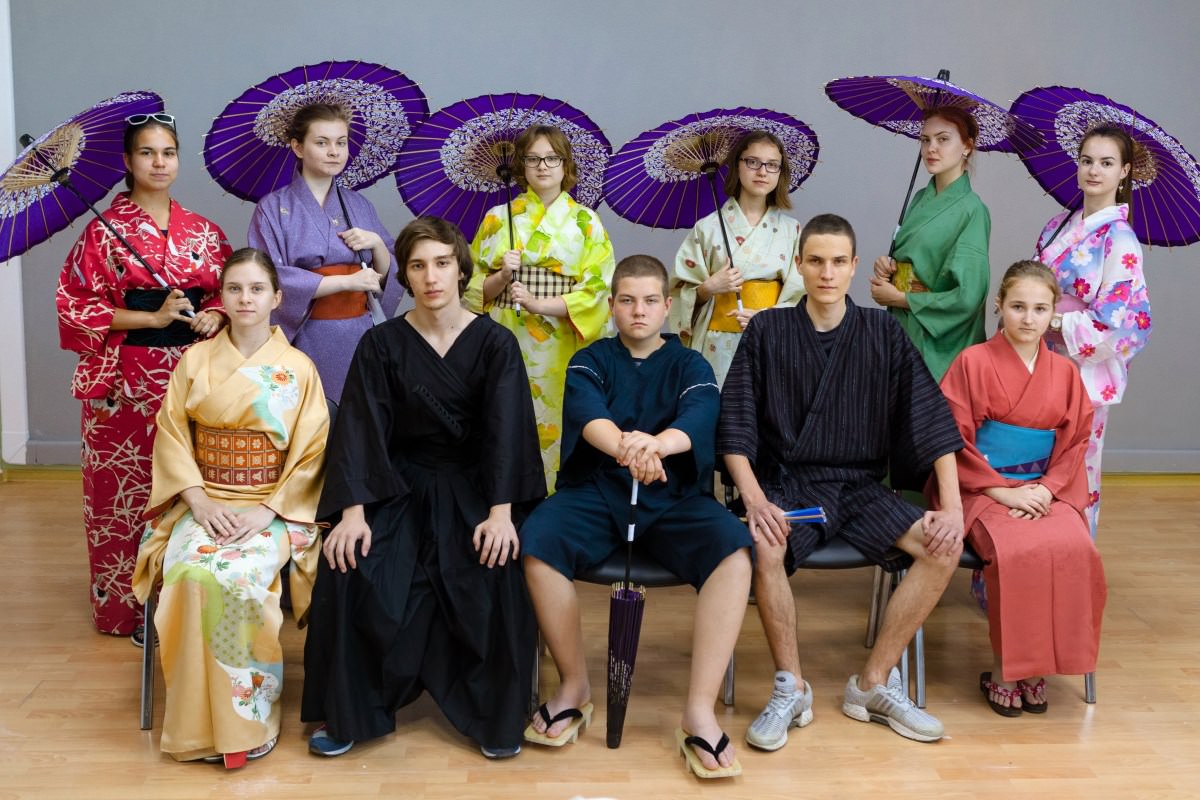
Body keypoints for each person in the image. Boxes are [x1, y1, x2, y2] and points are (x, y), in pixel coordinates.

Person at [301, 217, 545, 760]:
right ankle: (352, 711)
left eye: (441, 263)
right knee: (353, 564)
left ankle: (493, 713)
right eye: (417, 266)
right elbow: (360, 428)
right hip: (395, 483)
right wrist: (353, 513)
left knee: (493, 569)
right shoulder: (381, 343)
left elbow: (508, 433)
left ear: (461, 270)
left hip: (479, 488)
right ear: (404, 276)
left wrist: (501, 513)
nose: (431, 277)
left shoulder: (496, 343)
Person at [719, 214, 965, 747]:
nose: (826, 273)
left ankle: (873, 683)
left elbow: (931, 419)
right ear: (799, 265)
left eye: (837, 262)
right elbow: (735, 427)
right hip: (791, 486)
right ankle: (791, 687)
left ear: (854, 266)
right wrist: (756, 501)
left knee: (943, 548)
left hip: (859, 489)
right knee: (764, 543)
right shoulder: (767, 331)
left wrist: (953, 509)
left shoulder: (883, 333)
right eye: (815, 261)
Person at [520, 255, 752, 779]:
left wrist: (658, 445)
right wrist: (633, 450)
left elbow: (700, 417)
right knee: (537, 541)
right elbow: (590, 418)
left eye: (650, 300)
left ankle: (699, 710)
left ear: (668, 305)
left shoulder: (691, 364)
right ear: (612, 305)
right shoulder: (589, 359)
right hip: (599, 491)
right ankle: (574, 685)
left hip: (674, 496)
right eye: (627, 300)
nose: (638, 311)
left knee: (734, 552)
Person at [132, 248, 328, 767]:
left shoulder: (298, 368)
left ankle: (246, 720)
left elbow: (312, 451)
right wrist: (197, 501)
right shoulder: (194, 361)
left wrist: (270, 511)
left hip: (269, 506)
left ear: (277, 298)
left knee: (240, 578)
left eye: (257, 289)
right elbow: (172, 434)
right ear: (221, 296)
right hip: (203, 500)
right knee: (190, 575)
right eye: (235, 289)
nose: (246, 299)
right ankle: (193, 723)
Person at [56, 112, 230, 640]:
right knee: (124, 493)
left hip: (192, 376)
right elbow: (75, 306)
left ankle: (185, 606)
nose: (159, 163)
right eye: (147, 153)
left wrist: (214, 313)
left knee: (192, 488)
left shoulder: (204, 231)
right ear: (128, 162)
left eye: (168, 152)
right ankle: (126, 609)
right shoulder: (101, 233)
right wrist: (151, 318)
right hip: (125, 382)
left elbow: (227, 290)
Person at [937, 260, 1105, 716]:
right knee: (1018, 550)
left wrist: (1048, 489)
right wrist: (1001, 491)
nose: (1028, 319)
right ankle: (1006, 670)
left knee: (1075, 547)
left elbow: (1076, 441)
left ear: (1054, 313)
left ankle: (1039, 668)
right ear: (999, 305)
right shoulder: (972, 362)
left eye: (1040, 309)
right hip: (983, 487)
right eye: (1017, 307)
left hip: (1044, 488)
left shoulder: (1064, 372)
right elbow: (951, 437)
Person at [466, 124, 616, 492]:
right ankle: (504, 500)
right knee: (501, 412)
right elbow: (468, 287)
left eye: (552, 158)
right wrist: (502, 276)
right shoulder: (497, 219)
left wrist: (539, 304)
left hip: (560, 339)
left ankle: (554, 501)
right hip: (504, 333)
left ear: (566, 165)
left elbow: (598, 289)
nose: (543, 166)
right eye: (533, 159)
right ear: (521, 166)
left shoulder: (586, 221)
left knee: (559, 414)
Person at [1033, 124, 1151, 538]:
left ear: (1124, 172)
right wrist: (1022, 305)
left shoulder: (1121, 239)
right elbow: (1034, 284)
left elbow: (1112, 322)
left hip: (1081, 369)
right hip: (1039, 360)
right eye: (1086, 161)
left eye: (1106, 163)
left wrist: (1052, 321)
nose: (1094, 171)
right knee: (1031, 464)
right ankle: (1025, 557)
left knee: (1076, 469)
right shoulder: (1058, 225)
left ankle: (1070, 559)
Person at [248, 102, 402, 403]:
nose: (334, 152)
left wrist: (377, 245)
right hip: (306, 332)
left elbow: (390, 273)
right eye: (322, 143)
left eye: (341, 142)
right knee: (311, 416)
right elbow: (269, 277)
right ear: (298, 147)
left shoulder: (359, 205)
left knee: (361, 416)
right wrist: (345, 282)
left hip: (359, 331)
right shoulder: (272, 207)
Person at [671, 131, 804, 386]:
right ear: (737, 165)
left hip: (771, 340)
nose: (762, 172)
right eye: (752, 162)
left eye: (772, 165)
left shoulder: (792, 230)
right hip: (716, 343)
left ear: (780, 172)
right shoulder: (707, 228)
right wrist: (708, 288)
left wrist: (765, 318)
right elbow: (678, 293)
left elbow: (801, 294)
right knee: (717, 405)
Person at [870, 106, 991, 382]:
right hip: (903, 322)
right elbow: (914, 257)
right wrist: (889, 266)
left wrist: (902, 298)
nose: (931, 148)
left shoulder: (973, 210)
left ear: (967, 146)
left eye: (943, 139)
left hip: (934, 334)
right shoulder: (920, 197)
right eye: (925, 140)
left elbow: (969, 295)